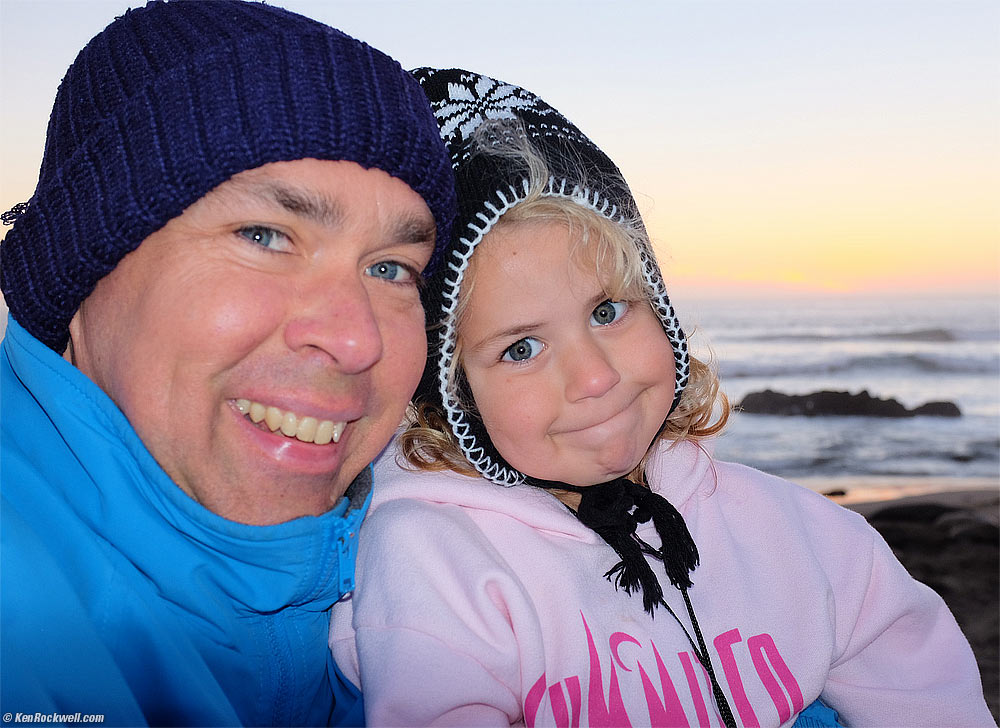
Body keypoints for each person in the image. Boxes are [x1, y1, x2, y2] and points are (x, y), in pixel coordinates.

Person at [328, 67, 995, 727]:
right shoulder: (433, 559)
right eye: (521, 349)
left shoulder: (798, 533)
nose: (595, 377)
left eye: (609, 310)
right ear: (453, 399)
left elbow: (924, 687)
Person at [0, 2, 455, 725]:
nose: (356, 340)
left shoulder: (438, 570)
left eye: (393, 268)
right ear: (83, 266)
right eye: (266, 235)